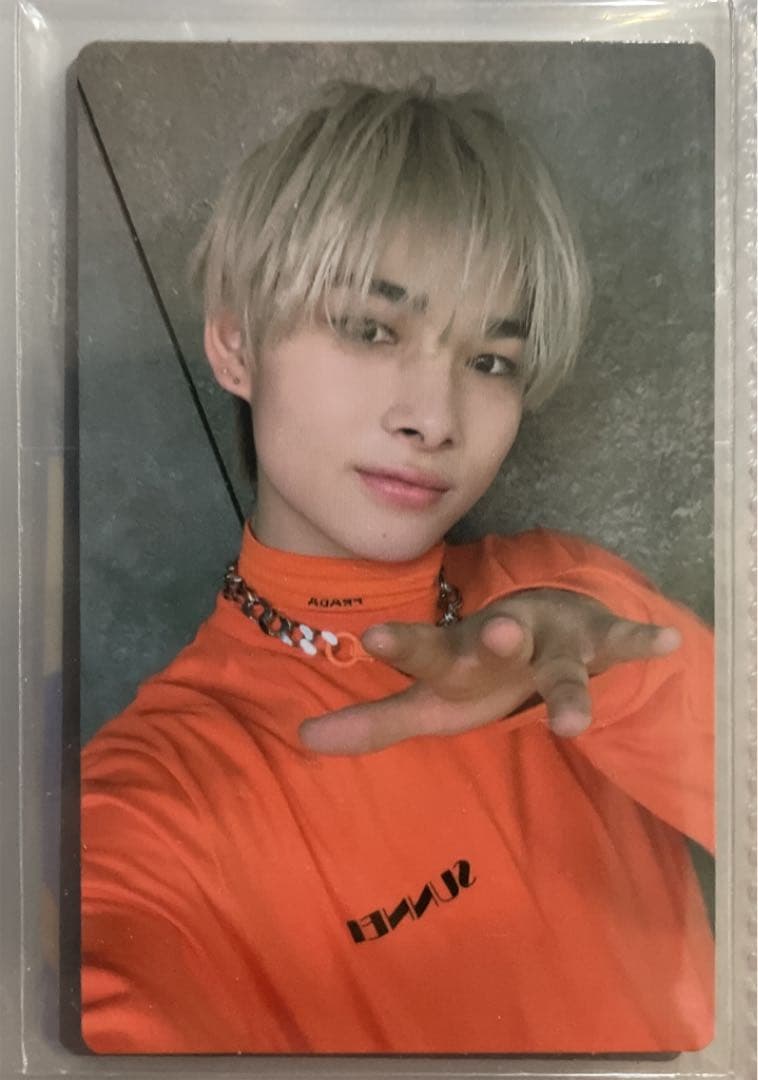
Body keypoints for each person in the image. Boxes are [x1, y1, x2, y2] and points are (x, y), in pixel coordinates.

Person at [80, 79, 713, 1055]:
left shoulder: (575, 595)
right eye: (371, 329)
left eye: (490, 360)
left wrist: (629, 685)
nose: (434, 418)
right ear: (236, 343)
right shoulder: (163, 790)